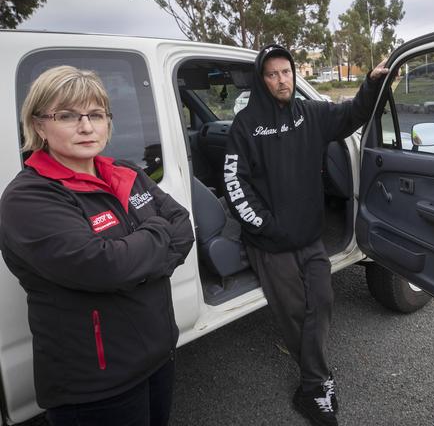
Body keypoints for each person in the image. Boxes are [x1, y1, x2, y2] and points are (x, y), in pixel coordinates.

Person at [0, 65, 194, 426]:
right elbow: (104, 267)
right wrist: (155, 232)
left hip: (158, 354)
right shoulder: (29, 198)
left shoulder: (123, 171)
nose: (87, 126)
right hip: (96, 383)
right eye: (68, 115)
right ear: (39, 125)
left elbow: (183, 227)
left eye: (96, 114)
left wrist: (135, 255)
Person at [224, 44, 388, 426]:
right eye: (272, 74)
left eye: (286, 72)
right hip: (270, 243)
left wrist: (371, 84)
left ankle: (313, 381)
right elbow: (234, 182)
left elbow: (351, 115)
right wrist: (264, 224)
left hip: (309, 237)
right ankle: (315, 386)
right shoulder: (245, 126)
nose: (282, 80)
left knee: (322, 302)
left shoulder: (310, 114)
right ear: (261, 80)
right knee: (295, 313)